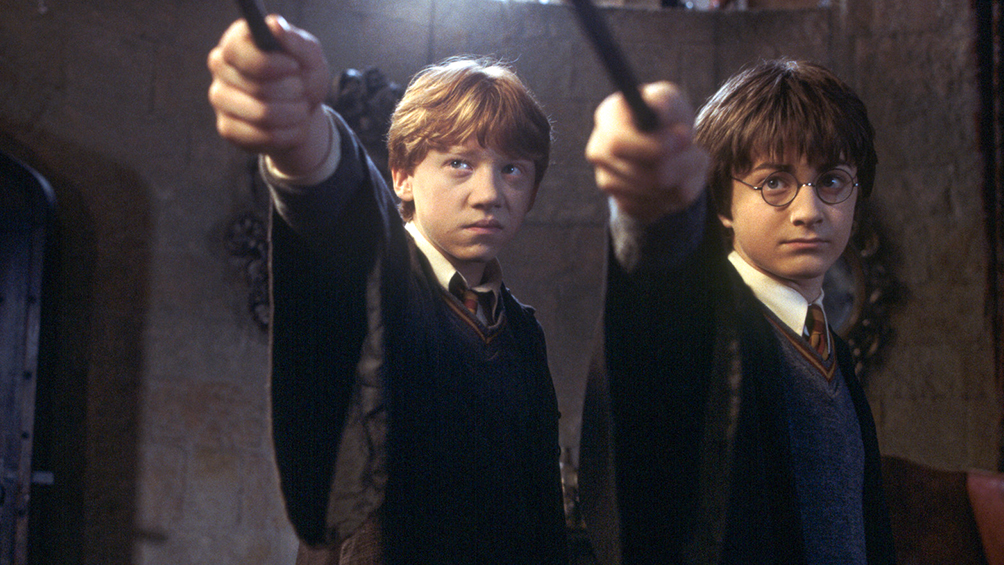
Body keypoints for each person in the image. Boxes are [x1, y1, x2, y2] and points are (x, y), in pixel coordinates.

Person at [207, 15, 567, 565]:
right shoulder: (386, 280)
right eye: (460, 164)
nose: (489, 193)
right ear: (403, 176)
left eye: (513, 170)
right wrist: (303, 132)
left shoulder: (522, 331)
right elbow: (339, 207)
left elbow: (542, 511)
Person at [578, 59, 896, 564]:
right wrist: (655, 212)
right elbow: (663, 306)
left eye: (832, 181)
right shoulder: (714, 326)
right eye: (774, 183)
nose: (809, 211)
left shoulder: (829, 346)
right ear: (722, 202)